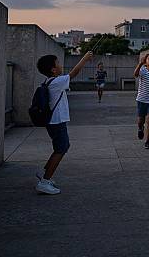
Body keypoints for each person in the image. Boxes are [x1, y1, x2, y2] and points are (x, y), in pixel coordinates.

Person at [35, 51, 93, 194]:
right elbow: (73, 74)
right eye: (58, 64)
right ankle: (45, 181)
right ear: (53, 69)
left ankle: (45, 175)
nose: (61, 66)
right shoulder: (56, 82)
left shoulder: (50, 81)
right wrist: (84, 59)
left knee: (59, 148)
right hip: (57, 122)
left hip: (54, 122)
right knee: (62, 148)